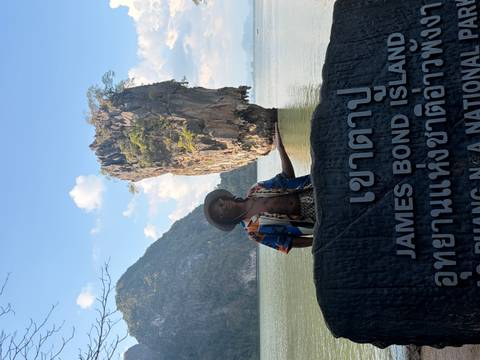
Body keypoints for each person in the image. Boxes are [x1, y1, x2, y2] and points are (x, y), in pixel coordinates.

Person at [203, 122, 315, 254]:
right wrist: (316, 240)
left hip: (312, 190)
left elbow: (286, 178)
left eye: (220, 202)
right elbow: (288, 242)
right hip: (313, 219)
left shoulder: (256, 190)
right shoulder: (253, 230)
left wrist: (280, 149)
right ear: (224, 219)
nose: (223, 205)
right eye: (220, 210)